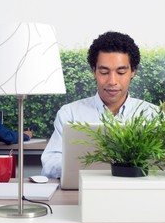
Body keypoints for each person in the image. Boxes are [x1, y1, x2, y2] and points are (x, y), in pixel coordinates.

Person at [41, 31, 158, 178]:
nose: (112, 81)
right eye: (104, 72)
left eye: (121, 72)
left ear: (133, 71)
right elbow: (49, 164)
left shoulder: (152, 114)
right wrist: (82, 169)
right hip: (83, 194)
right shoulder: (70, 114)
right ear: (94, 71)